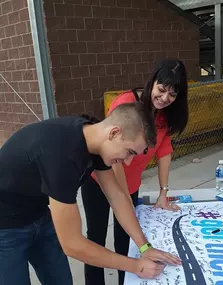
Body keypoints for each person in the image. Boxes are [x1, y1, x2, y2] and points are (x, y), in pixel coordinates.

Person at [0, 102, 181, 285]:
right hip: (5, 225)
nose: (127, 162)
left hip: (39, 213)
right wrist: (136, 266)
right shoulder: (62, 155)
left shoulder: (93, 138)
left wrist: (144, 246)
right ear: (114, 133)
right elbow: (72, 244)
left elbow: (117, 197)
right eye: (128, 152)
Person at [81, 59, 189, 285]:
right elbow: (116, 157)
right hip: (101, 180)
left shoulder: (166, 114)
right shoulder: (127, 102)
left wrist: (163, 192)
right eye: (161, 89)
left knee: (126, 242)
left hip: (131, 186)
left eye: (172, 94)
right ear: (153, 81)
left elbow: (165, 152)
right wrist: (121, 198)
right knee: (96, 239)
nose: (164, 98)